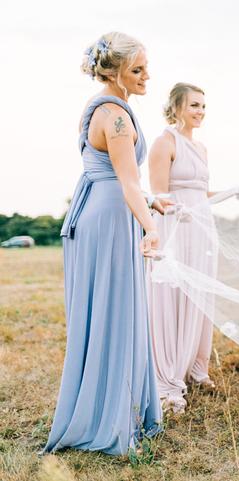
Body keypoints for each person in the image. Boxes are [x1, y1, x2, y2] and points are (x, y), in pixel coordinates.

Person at [45, 32, 164, 456]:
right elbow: (127, 181)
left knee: (108, 313)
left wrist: (151, 200)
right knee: (115, 313)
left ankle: (111, 408)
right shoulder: (115, 117)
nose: (147, 76)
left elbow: (117, 176)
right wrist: (150, 227)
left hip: (103, 209)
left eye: (146, 67)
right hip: (111, 220)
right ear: (114, 72)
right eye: (137, 69)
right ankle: (107, 419)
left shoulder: (101, 107)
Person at [147, 82, 239, 413]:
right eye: (194, 105)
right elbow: (159, 196)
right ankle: (168, 375)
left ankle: (197, 367)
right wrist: (176, 212)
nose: (201, 112)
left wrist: (236, 189)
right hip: (175, 228)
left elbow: (200, 193)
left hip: (202, 228)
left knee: (199, 295)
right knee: (173, 296)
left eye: (203, 106)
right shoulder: (164, 142)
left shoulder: (202, 148)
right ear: (177, 107)